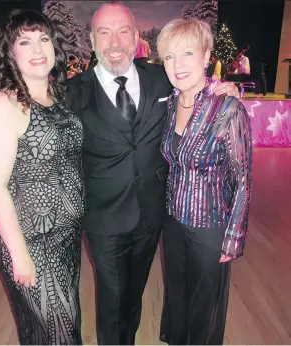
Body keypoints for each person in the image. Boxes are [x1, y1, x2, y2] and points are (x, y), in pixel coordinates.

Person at [67, 3, 238, 345]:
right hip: (104, 218)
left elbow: (197, 88)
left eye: (123, 31)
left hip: (152, 215)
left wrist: (227, 88)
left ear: (136, 38)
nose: (114, 41)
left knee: (134, 294)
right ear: (91, 39)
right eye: (104, 32)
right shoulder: (72, 92)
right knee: (112, 298)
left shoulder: (161, 78)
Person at [0, 9, 84, 345]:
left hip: (64, 238)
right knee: (61, 332)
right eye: (25, 41)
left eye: (43, 39)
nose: (37, 49)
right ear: (10, 53)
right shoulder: (4, 103)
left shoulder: (58, 98)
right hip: (28, 240)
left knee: (45, 329)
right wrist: (20, 253)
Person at [157, 18, 253, 344]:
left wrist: (234, 236)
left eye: (187, 53)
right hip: (172, 221)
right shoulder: (170, 104)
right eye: (169, 56)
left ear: (206, 55)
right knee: (177, 295)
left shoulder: (227, 108)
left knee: (204, 302)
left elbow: (243, 178)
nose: (178, 64)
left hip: (211, 224)